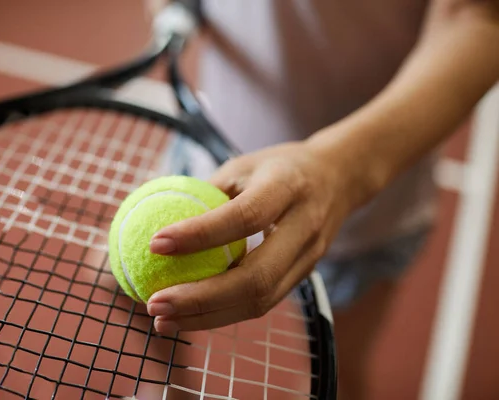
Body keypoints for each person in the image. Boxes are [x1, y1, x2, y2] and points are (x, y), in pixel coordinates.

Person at [145, 0, 499, 398]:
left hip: (359, 213)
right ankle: (174, 390)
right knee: (121, 288)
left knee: (336, 375)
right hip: (204, 169)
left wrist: (341, 171)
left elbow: (479, 18)